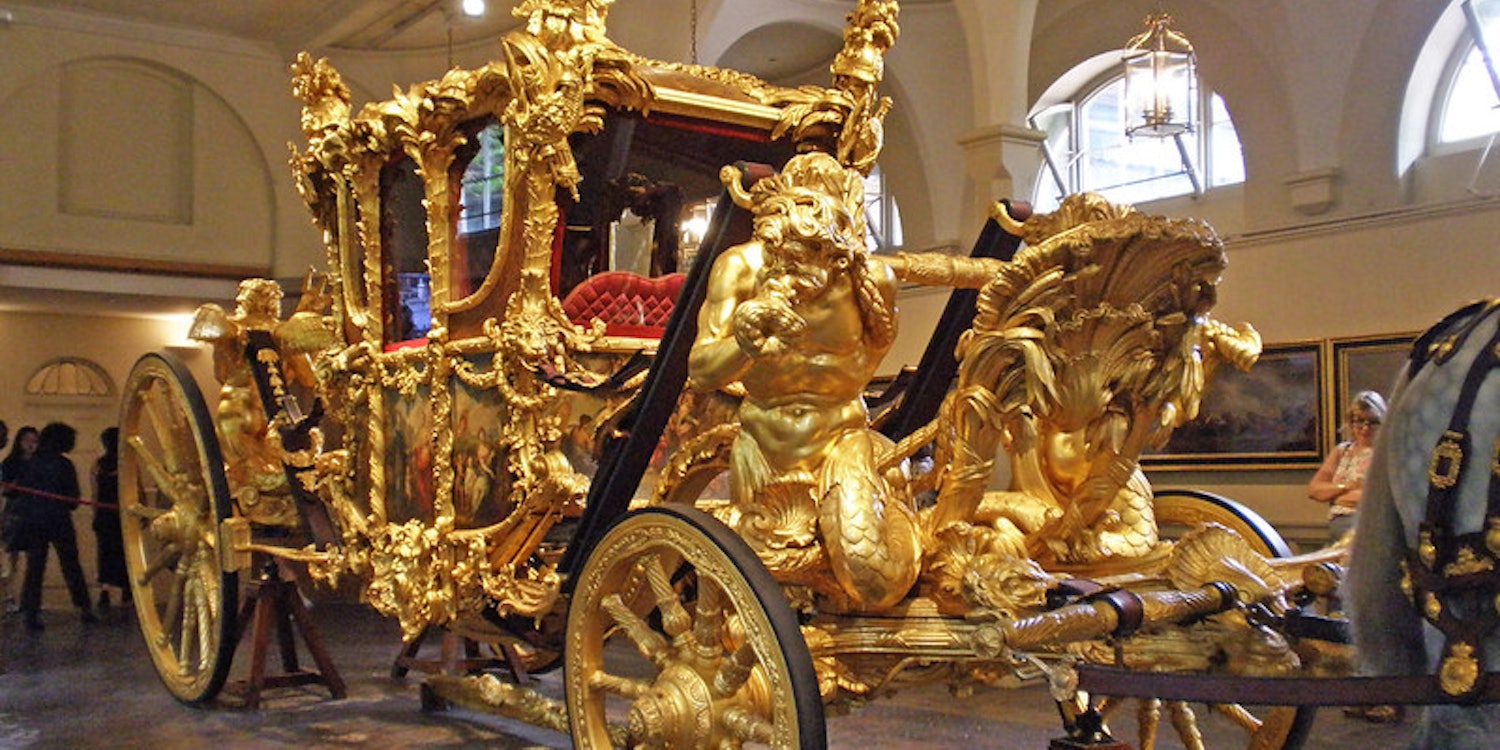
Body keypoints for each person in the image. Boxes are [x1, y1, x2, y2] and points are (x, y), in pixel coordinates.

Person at [688, 151, 919, 611]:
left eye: (818, 254)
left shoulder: (874, 280)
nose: (805, 269)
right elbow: (701, 371)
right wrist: (747, 344)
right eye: (792, 255)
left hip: (842, 439)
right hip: (764, 446)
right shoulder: (741, 268)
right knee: (754, 601)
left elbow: (867, 360)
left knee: (868, 583)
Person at [12, 422, 96, 631]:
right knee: (71, 565)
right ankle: (84, 607)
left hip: (34, 521)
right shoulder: (64, 465)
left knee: (34, 569)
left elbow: (20, 493)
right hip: (59, 520)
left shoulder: (30, 463)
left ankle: (31, 613)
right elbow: (73, 499)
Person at [1306, 390, 1387, 544]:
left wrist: (1336, 496)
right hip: (1340, 524)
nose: (1365, 428)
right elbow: (1315, 490)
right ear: (1350, 422)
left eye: (1372, 422)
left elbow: (1376, 498)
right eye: (1359, 421)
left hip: (1373, 522)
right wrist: (1347, 486)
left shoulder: (1387, 453)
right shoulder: (1342, 451)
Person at [1, 424, 38, 613]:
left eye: (34, 441)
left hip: (35, 513)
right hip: (15, 513)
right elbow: (6, 490)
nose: (30, 445)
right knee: (11, 557)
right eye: (26, 440)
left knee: (34, 558)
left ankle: (28, 597)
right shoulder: (10, 463)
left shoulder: (40, 464)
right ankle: (9, 595)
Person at [92, 427, 128, 610]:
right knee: (124, 551)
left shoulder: (98, 465)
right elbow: (136, 489)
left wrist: (95, 514)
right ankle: (126, 588)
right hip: (122, 514)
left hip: (104, 514)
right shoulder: (126, 463)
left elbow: (95, 493)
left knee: (105, 552)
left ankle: (105, 589)